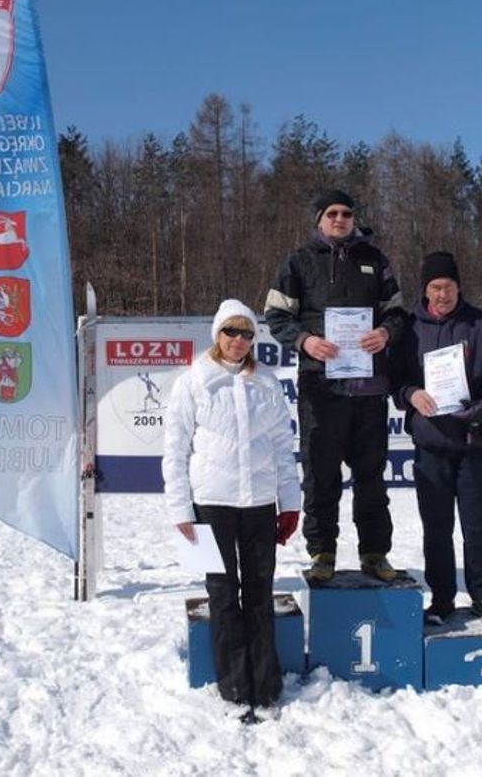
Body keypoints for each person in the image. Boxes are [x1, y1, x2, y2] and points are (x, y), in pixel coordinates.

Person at [163, 299, 301, 724]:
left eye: (246, 334)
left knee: (259, 591)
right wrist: (180, 509)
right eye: (231, 332)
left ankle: (265, 682)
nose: (238, 341)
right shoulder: (193, 383)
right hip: (211, 505)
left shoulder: (268, 384)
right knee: (222, 594)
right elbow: (174, 450)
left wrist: (290, 503)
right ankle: (234, 684)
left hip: (259, 504)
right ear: (216, 335)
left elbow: (281, 447)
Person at [264, 189, 404, 583]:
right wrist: (305, 341)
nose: (340, 219)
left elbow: (397, 312)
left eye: (346, 213)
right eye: (332, 213)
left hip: (369, 390)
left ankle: (375, 553)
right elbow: (275, 315)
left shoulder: (375, 260)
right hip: (320, 390)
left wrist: (385, 334)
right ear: (319, 219)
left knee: (372, 478)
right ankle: (322, 552)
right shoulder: (298, 261)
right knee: (320, 476)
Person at [391, 252, 482, 625]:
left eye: (448, 287)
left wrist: (481, 410)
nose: (442, 294)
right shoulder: (410, 327)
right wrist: (411, 394)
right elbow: (395, 379)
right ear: (425, 290)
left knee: (478, 527)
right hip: (431, 445)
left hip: (472, 442)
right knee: (437, 528)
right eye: (435, 287)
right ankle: (442, 599)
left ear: (459, 287)